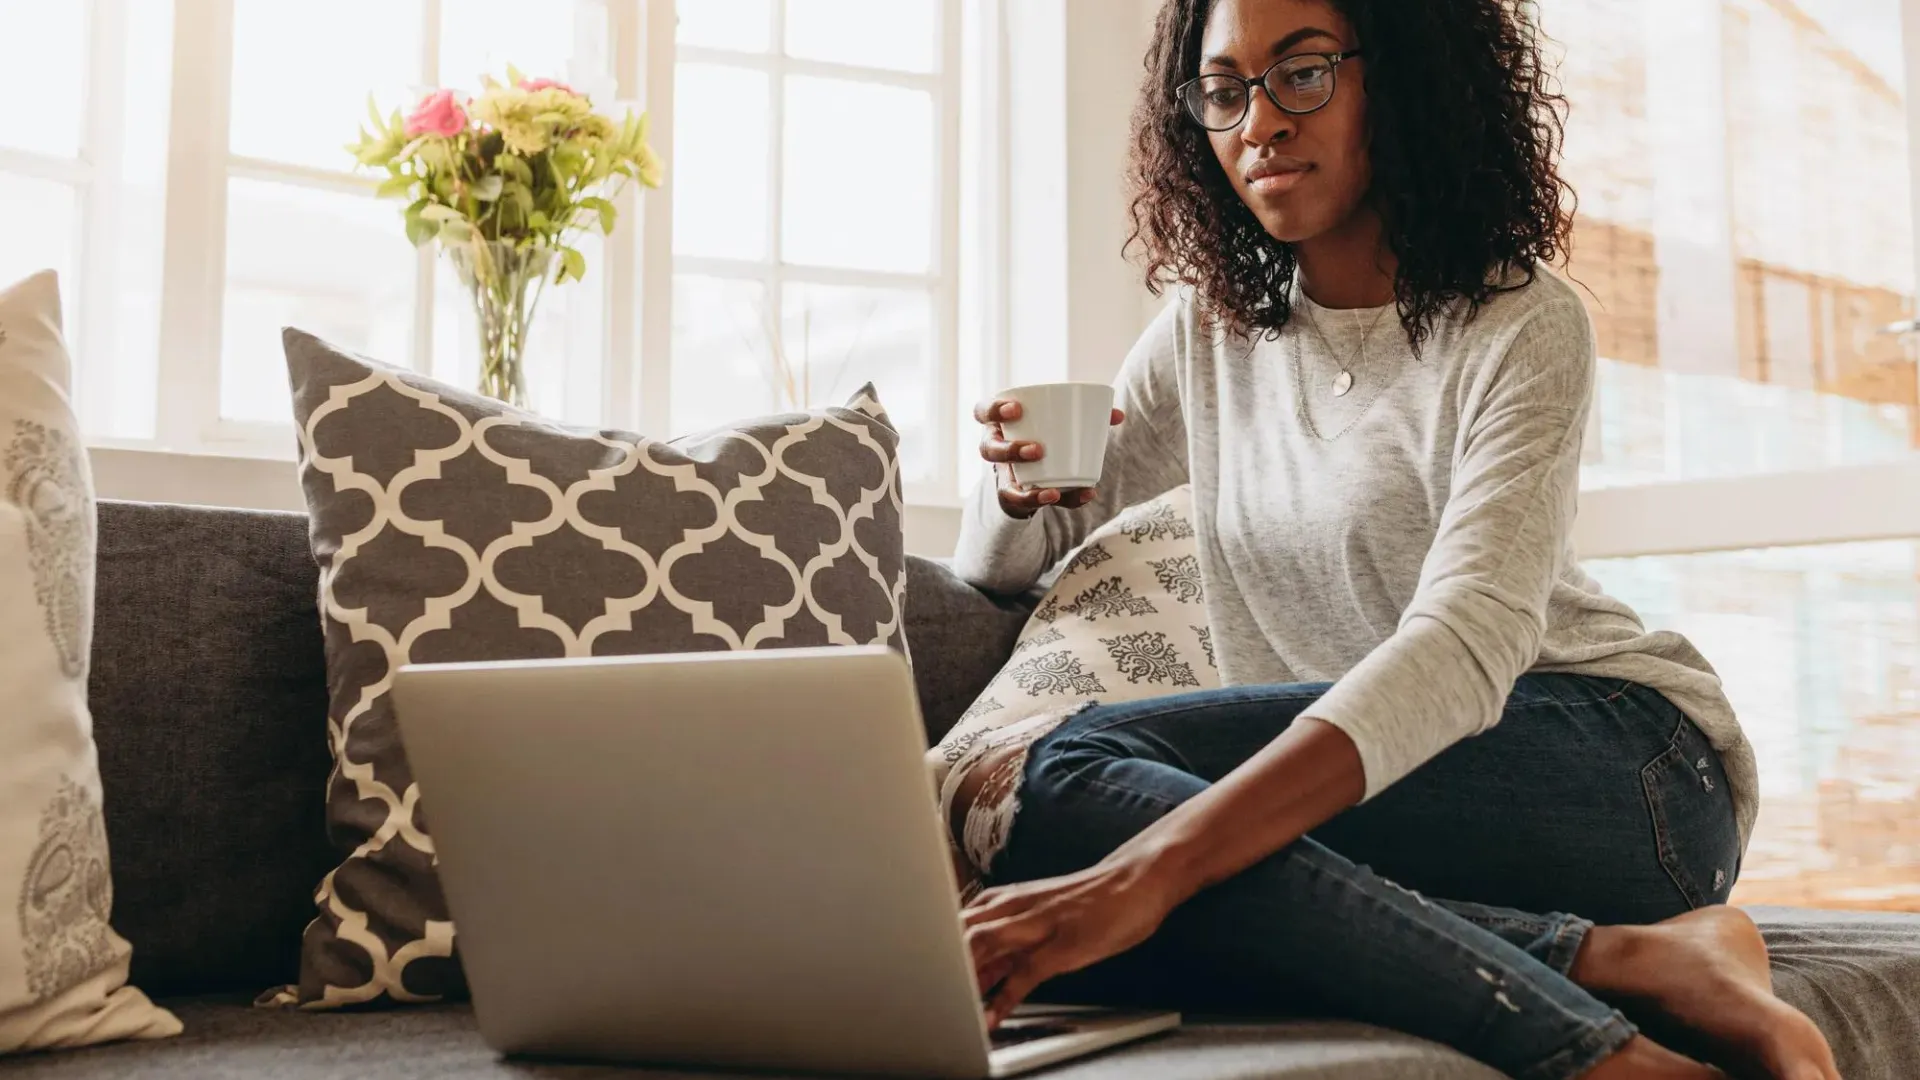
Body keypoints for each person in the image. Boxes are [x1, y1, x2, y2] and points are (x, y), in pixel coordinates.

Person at [949, 2, 1842, 1078]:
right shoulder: (1207, 330)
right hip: (1368, 800)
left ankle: (1602, 1058)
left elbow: (1465, 645)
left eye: (1304, 74)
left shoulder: (1522, 322)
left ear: (1409, 81)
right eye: (1225, 90)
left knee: (1084, 776)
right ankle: (1621, 962)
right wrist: (1010, 500)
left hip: (1615, 767)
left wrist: (1148, 874)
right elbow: (1014, 559)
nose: (1260, 124)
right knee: (1038, 862)